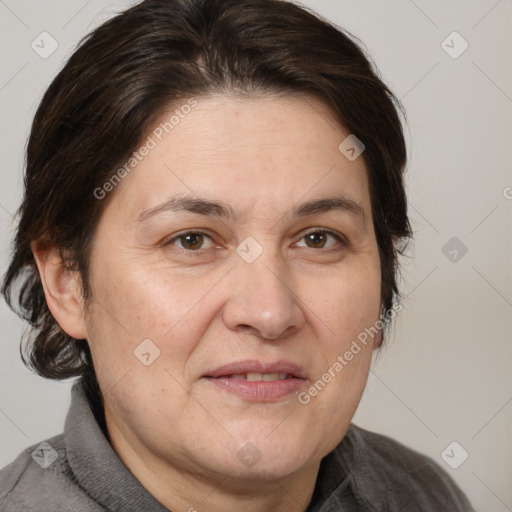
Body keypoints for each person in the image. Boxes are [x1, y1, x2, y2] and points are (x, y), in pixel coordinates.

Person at [0, 0, 476, 510]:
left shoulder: (425, 495)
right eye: (192, 240)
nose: (269, 312)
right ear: (67, 281)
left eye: (318, 238)